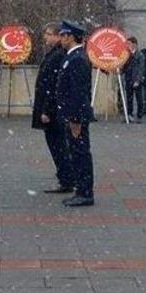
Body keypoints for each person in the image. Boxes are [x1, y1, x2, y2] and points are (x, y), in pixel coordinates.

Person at [56, 20, 94, 207]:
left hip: (75, 116)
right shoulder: (72, 56)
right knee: (76, 153)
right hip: (71, 114)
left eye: (63, 35)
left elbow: (78, 92)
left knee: (80, 154)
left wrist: (75, 119)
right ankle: (81, 189)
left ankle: (85, 192)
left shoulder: (77, 58)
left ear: (71, 37)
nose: (61, 38)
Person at [33, 24, 73, 193]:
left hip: (53, 110)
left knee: (58, 145)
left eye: (49, 34)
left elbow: (52, 85)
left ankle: (66, 179)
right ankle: (66, 177)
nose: (46, 37)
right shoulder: (54, 53)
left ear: (58, 36)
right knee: (57, 145)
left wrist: (46, 110)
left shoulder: (57, 55)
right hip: (52, 107)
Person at [123, 36, 145, 122]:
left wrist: (137, 80)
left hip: (136, 80)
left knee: (139, 99)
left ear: (134, 44)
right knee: (129, 98)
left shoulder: (140, 55)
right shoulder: (126, 54)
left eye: (129, 43)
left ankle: (139, 116)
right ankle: (129, 115)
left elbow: (141, 68)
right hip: (128, 79)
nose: (127, 45)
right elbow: (124, 66)